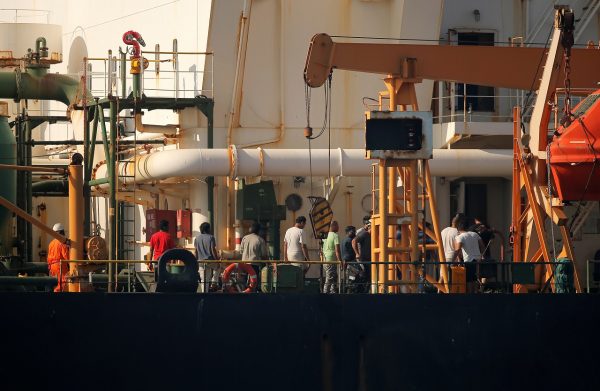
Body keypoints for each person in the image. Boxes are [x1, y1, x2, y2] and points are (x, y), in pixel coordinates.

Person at [454, 218, 484, 293]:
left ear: (458, 229)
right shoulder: (475, 234)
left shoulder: (460, 237)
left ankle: (471, 295)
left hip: (469, 260)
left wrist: (452, 259)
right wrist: (481, 255)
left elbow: (457, 249)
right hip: (478, 259)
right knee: (476, 278)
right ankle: (476, 293)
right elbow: (482, 246)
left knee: (469, 280)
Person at [241, 222, 269, 289]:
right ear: (259, 230)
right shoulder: (260, 240)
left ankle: (244, 292)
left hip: (244, 263)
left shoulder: (244, 238)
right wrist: (268, 264)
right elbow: (264, 255)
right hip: (254, 264)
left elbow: (241, 251)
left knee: (245, 282)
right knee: (254, 282)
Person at [195, 222, 220, 292]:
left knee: (204, 280)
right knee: (218, 267)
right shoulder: (211, 237)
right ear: (208, 229)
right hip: (210, 261)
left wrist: (196, 261)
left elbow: (196, 251)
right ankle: (214, 282)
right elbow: (213, 250)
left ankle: (204, 294)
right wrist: (217, 260)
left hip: (201, 262)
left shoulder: (197, 238)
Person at [47, 223, 70, 292]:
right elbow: (67, 256)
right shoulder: (62, 243)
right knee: (62, 284)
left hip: (52, 266)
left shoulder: (51, 243)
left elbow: (49, 256)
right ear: (61, 232)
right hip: (60, 266)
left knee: (54, 283)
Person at [322, 220, 341, 293]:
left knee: (334, 276)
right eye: (337, 225)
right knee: (329, 278)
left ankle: (333, 291)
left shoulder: (324, 236)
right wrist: (340, 261)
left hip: (325, 259)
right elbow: (337, 250)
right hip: (331, 260)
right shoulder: (335, 236)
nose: (338, 227)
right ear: (333, 226)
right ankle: (325, 293)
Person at [352, 219, 371, 293]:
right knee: (363, 275)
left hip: (369, 260)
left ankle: (365, 291)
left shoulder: (372, 235)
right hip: (364, 259)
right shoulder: (364, 234)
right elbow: (354, 241)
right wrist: (357, 253)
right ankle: (359, 291)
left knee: (368, 277)